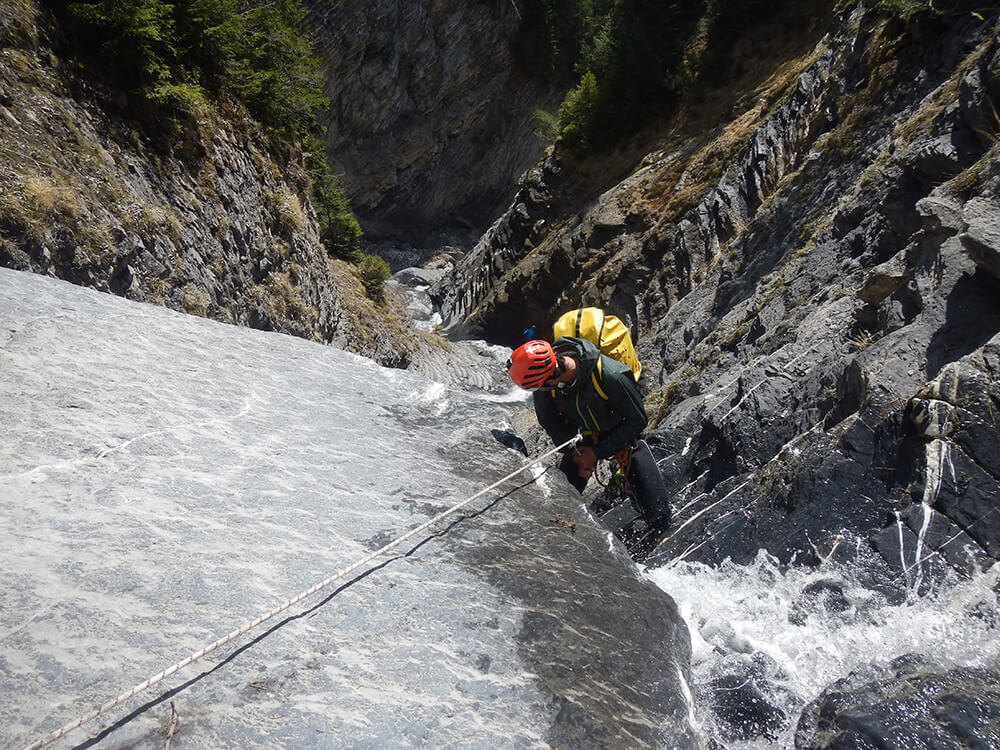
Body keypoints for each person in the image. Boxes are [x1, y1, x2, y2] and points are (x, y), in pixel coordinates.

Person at [506, 337, 671, 534]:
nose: (538, 392)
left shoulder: (610, 375)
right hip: (581, 440)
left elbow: (637, 420)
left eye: (540, 387)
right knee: (557, 508)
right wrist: (575, 452)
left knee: (659, 516)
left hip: (624, 437)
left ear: (552, 378)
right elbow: (550, 421)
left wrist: (597, 452)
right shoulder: (546, 384)